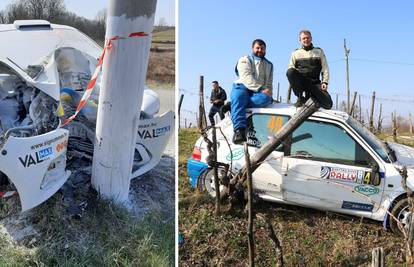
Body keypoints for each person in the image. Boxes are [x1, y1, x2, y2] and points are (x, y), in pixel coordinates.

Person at [228, 39, 273, 144]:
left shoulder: (269, 65)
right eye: (257, 48)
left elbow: (269, 83)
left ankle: (234, 105)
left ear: (265, 50)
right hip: (242, 86)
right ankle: (239, 130)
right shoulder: (245, 59)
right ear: (253, 48)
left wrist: (269, 93)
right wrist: (261, 89)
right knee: (239, 96)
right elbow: (246, 78)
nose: (260, 50)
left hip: (257, 93)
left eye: (262, 48)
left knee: (266, 99)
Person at [286, 30, 333, 109]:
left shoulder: (319, 51)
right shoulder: (295, 53)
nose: (306, 40)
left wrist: (325, 82)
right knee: (290, 72)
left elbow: (325, 68)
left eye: (307, 38)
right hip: (302, 82)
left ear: (311, 38)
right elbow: (291, 68)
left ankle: (311, 97)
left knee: (328, 104)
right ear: (300, 40)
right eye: (303, 38)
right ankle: (300, 98)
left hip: (315, 83)